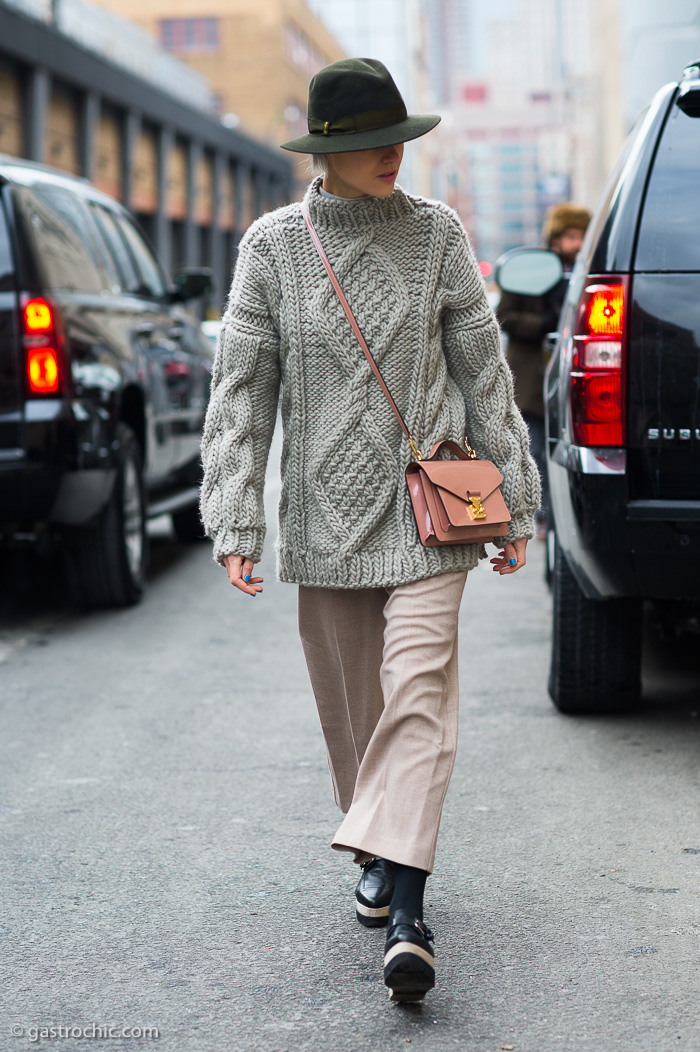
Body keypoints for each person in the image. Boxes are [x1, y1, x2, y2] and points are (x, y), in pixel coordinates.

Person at [200, 57, 540, 1003]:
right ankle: (376, 838)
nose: (389, 154)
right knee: (355, 711)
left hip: (433, 510)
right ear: (326, 153)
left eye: (396, 138)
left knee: (419, 689)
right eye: (365, 144)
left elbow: (484, 376)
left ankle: (410, 917)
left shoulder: (437, 235)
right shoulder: (273, 248)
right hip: (323, 513)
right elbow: (243, 392)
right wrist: (236, 514)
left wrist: (514, 495)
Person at [496, 203, 590, 539]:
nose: (577, 243)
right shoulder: (530, 271)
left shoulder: (586, 272)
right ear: (555, 237)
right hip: (532, 381)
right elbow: (505, 316)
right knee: (533, 451)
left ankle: (559, 514)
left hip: (571, 383)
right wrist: (544, 323)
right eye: (570, 235)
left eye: (581, 235)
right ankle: (539, 516)